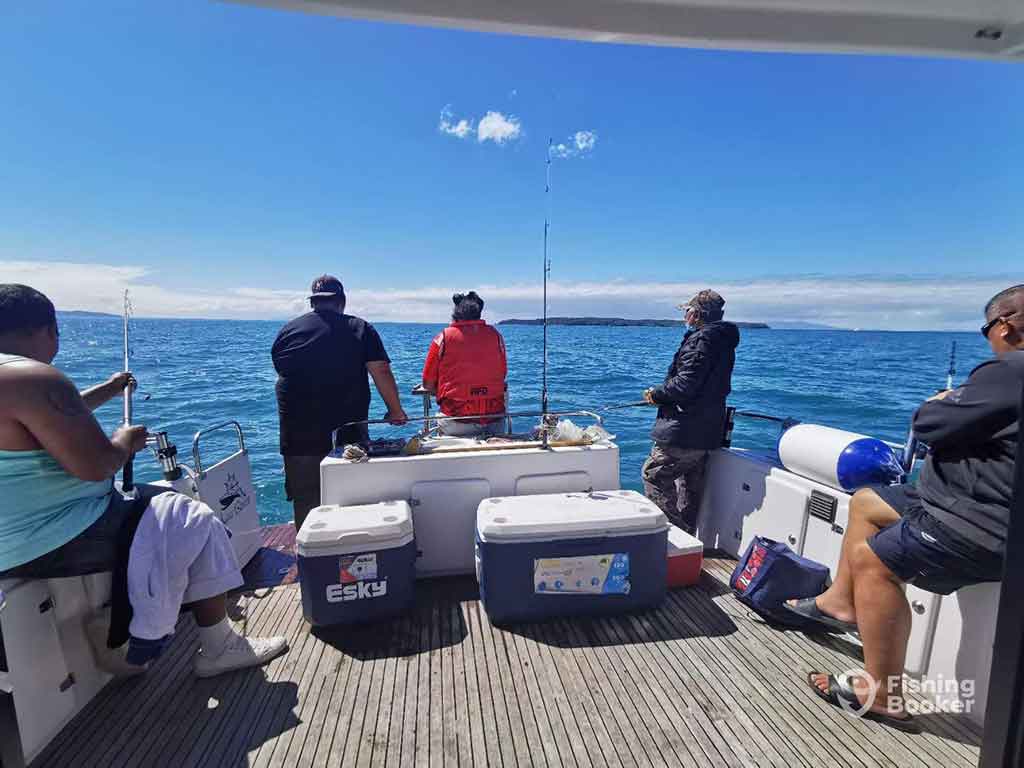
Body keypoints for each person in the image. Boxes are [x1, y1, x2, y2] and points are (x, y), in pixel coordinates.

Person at [0, 284, 287, 677]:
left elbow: (43, 423)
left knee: (160, 510)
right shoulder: (34, 378)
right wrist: (124, 442)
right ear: (48, 330)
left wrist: (109, 389)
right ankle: (217, 646)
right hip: (55, 535)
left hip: (10, 542)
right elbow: (98, 465)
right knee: (198, 519)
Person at [788, 284, 1024, 732]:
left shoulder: (1010, 370)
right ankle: (840, 603)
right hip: (960, 503)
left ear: (1006, 326)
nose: (988, 339)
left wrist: (941, 402)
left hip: (981, 524)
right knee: (867, 502)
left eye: (987, 329)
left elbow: (927, 424)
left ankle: (881, 692)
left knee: (871, 559)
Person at [272, 275, 407, 529]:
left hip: (296, 435)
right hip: (346, 432)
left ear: (313, 303)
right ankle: (351, 558)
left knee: (306, 502)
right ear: (342, 302)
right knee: (351, 500)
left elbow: (281, 371)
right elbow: (380, 370)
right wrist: (395, 411)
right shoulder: (359, 327)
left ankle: (310, 559)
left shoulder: (287, 331)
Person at [641, 289, 739, 534]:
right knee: (688, 486)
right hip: (707, 430)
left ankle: (674, 540)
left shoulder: (701, 340)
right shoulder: (722, 341)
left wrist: (657, 394)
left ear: (696, 314)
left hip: (684, 429)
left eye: (687, 310)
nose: (685, 315)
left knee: (653, 475)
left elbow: (685, 384)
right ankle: (687, 544)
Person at [421, 291, 508, 437]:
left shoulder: (443, 338)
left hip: (455, 420)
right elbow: (503, 373)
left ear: (456, 313)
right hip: (494, 419)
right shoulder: (496, 336)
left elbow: (427, 383)